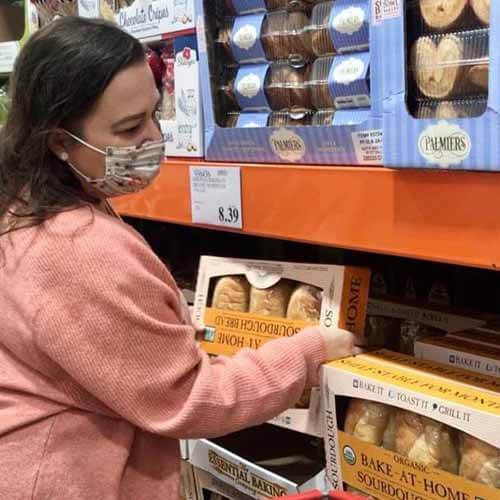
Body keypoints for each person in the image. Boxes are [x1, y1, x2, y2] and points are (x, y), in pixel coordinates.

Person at [0, 18, 356, 500]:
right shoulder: (80, 251)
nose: (153, 138)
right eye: (129, 129)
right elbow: (190, 400)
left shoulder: (24, 208)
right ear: (61, 141)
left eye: (154, 114)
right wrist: (308, 354)